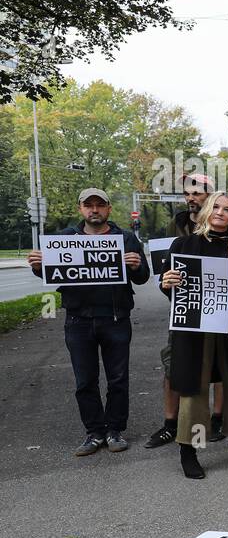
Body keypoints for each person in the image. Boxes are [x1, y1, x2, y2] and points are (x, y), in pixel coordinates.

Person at [26, 188, 151, 455]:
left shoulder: (125, 238)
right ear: (80, 208)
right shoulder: (64, 239)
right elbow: (52, 273)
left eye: (100, 205)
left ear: (108, 209)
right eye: (89, 205)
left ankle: (115, 430)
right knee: (85, 380)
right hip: (78, 320)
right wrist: (38, 267)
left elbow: (142, 278)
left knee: (118, 379)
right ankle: (94, 432)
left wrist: (136, 266)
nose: (94, 210)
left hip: (116, 318)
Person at [158, 192, 228, 479]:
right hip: (194, 330)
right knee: (194, 388)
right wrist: (166, 282)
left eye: (227, 209)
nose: (220, 212)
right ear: (206, 210)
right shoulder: (183, 244)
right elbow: (169, 288)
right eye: (215, 206)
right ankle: (188, 451)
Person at [146, 173, 223, 448]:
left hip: (218, 307)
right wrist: (167, 284)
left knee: (219, 365)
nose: (192, 198)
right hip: (184, 307)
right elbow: (163, 268)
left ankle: (217, 420)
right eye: (188, 193)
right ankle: (170, 423)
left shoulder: (226, 223)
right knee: (174, 365)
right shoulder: (175, 226)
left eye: (198, 192)